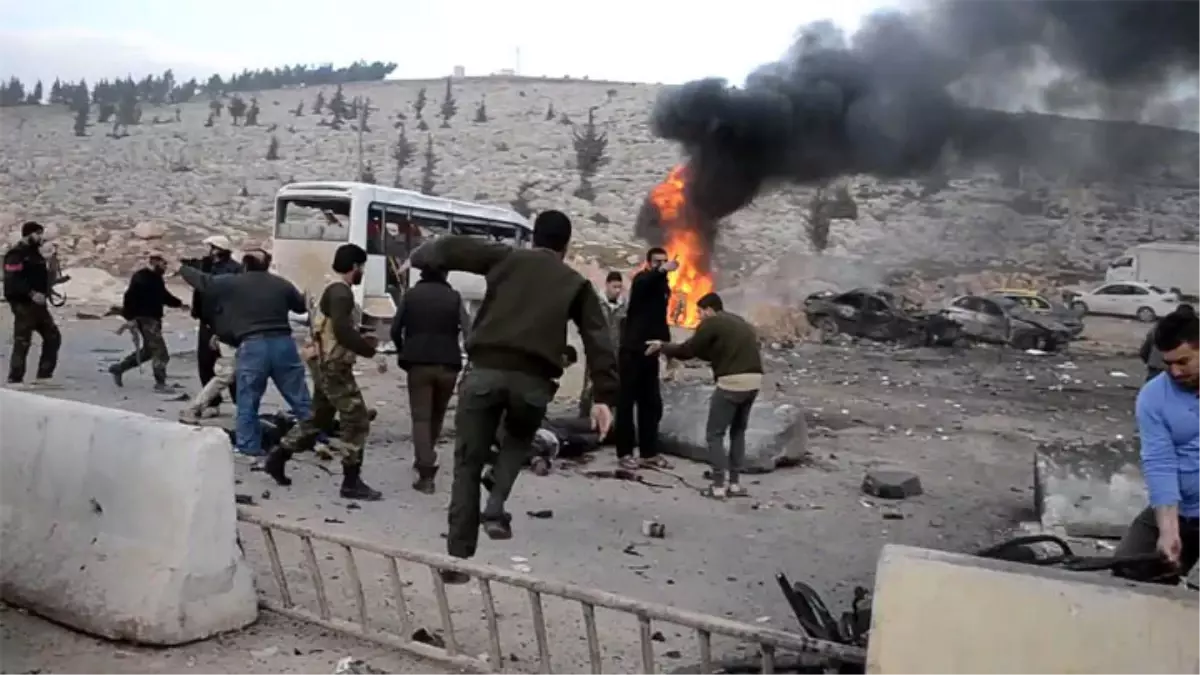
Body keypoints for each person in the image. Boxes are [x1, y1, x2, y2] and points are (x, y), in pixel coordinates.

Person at [407, 209, 618, 584]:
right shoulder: (576, 283)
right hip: (533, 383)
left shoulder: (506, 257)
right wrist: (604, 396)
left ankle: (458, 562)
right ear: (565, 247)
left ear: (534, 237)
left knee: (467, 466)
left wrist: (424, 254)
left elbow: (451, 248)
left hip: (484, 373)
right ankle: (496, 506)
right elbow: (599, 338)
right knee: (518, 441)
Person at [264, 244, 384, 501]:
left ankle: (279, 456)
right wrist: (369, 350)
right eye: (361, 267)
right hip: (334, 366)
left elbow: (332, 328)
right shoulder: (341, 292)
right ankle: (351, 482)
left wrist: (358, 337)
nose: (362, 272)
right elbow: (341, 330)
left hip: (323, 362)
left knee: (320, 419)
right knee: (357, 420)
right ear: (355, 267)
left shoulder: (329, 288)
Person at [178, 247, 311, 457]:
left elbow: (205, 282)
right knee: (300, 397)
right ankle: (314, 438)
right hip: (283, 344)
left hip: (253, 346)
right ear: (267, 265)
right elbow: (301, 307)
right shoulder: (281, 284)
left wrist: (182, 268)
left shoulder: (233, 282)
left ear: (246, 265)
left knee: (248, 399)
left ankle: (249, 446)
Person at [646, 292, 763, 499]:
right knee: (738, 432)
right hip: (754, 381)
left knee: (714, 434)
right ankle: (735, 484)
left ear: (709, 310)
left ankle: (718, 486)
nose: (699, 317)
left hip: (731, 383)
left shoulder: (712, 323)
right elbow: (710, 352)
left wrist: (663, 347)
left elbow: (689, 349)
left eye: (700, 313)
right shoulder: (737, 321)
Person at [1114, 311, 1200, 584]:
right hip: (1182, 507)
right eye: (1168, 363)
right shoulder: (1154, 397)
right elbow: (1159, 461)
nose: (1175, 372)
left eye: (1184, 362)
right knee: (1130, 566)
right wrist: (1168, 529)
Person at [391, 266, 473, 494]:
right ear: (445, 274)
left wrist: (402, 350)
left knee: (421, 418)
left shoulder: (411, 295)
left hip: (418, 363)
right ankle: (427, 455)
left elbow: (395, 329)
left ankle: (426, 470)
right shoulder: (454, 297)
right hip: (448, 364)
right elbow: (468, 332)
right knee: (436, 416)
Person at [614, 247, 677, 470]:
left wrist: (667, 348)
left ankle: (649, 453)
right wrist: (660, 271)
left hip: (651, 352)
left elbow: (661, 318)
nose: (662, 265)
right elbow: (643, 284)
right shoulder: (643, 279)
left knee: (650, 404)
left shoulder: (662, 285)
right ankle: (624, 452)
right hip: (632, 351)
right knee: (626, 403)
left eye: (664, 261)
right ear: (648, 263)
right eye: (657, 262)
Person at [109, 252, 187, 391]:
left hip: (154, 319)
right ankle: (160, 383)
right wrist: (130, 318)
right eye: (163, 263)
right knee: (161, 352)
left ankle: (119, 368)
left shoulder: (156, 278)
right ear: (155, 262)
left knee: (149, 351)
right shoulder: (141, 277)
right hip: (145, 319)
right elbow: (129, 298)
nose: (165, 266)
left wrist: (180, 304)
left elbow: (164, 296)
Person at [4, 221, 62, 385]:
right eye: (37, 234)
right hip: (23, 303)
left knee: (53, 337)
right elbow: (13, 280)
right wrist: (30, 293)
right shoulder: (16, 255)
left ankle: (44, 375)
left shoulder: (35, 254)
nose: (40, 237)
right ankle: (15, 378)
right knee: (23, 340)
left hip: (39, 304)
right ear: (28, 235)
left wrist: (52, 263)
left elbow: (42, 276)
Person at [190, 235, 243, 415]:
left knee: (231, 365)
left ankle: (239, 403)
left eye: (212, 247)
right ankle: (212, 403)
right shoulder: (206, 265)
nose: (210, 251)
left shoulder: (234, 269)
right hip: (206, 322)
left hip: (226, 322)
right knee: (205, 363)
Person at [579, 270, 626, 419]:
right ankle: (584, 418)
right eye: (614, 287)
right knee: (590, 387)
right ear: (607, 285)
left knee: (613, 386)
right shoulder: (597, 304)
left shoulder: (624, 307)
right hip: (596, 351)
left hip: (616, 353)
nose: (617, 291)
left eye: (620, 287)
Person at [1140, 304, 1195, 382]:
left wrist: (1149, 361)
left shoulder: (1159, 326)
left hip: (1156, 367)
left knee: (1151, 391)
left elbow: (1146, 348)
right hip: (1179, 372)